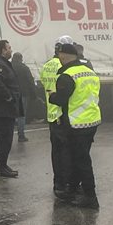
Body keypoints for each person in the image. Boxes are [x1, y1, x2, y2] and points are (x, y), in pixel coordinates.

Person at [51, 42, 101, 208]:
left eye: (60, 55)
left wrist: (52, 96)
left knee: (81, 161)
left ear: (63, 56)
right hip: (92, 121)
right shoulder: (89, 72)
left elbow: (61, 99)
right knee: (78, 158)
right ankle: (72, 189)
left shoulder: (67, 75)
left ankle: (90, 196)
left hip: (76, 123)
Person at [41, 37, 72, 196]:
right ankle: (66, 184)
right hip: (62, 113)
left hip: (51, 113)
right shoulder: (64, 66)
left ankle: (58, 183)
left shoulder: (46, 66)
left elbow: (45, 85)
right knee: (66, 152)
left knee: (56, 152)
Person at [0, 39, 21, 178]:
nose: (11, 50)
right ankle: (1, 166)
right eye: (9, 48)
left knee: (6, 137)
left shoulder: (2, 63)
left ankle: (3, 164)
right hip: (2, 108)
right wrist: (8, 97)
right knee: (4, 137)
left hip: (5, 108)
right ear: (3, 50)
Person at [11, 52, 36, 141]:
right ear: (21, 59)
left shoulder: (8, 67)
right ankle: (21, 135)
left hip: (10, 94)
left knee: (11, 114)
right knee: (21, 115)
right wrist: (34, 94)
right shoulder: (24, 68)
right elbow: (30, 81)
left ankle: (9, 135)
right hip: (23, 94)